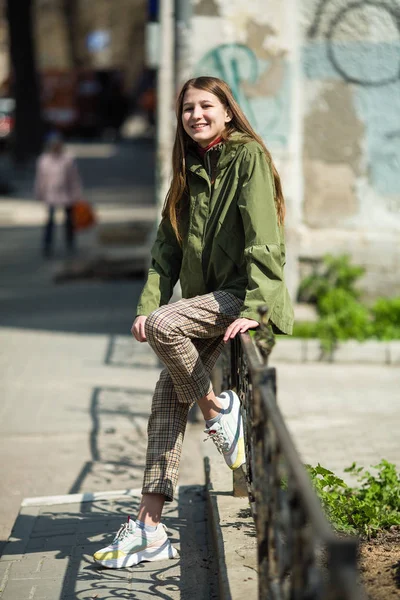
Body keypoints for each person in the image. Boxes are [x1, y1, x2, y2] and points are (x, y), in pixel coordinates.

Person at [93, 76, 294, 569]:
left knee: (165, 327)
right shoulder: (186, 169)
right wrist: (146, 304)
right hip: (206, 302)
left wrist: (255, 305)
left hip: (242, 297)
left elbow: (264, 235)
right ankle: (150, 527)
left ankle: (216, 410)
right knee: (164, 394)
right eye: (188, 108)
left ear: (228, 111)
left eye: (207, 106)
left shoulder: (246, 157)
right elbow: (166, 248)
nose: (196, 115)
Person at [35, 131, 82, 257]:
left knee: (69, 220)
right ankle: (47, 244)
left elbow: (74, 178)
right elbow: (40, 179)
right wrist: (40, 192)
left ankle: (70, 241)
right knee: (50, 220)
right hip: (51, 194)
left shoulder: (68, 159)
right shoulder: (44, 160)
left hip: (66, 194)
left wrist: (77, 193)